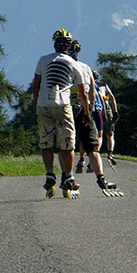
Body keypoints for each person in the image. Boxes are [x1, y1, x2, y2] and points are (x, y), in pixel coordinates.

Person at [33, 29, 89, 197]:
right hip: (63, 105)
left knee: (46, 142)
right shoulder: (74, 64)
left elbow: (36, 86)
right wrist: (86, 112)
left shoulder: (43, 60)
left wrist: (36, 107)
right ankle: (69, 176)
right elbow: (83, 93)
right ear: (70, 46)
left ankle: (50, 174)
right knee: (68, 144)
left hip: (44, 104)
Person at [68, 39, 118, 193]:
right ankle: (101, 178)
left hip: (67, 109)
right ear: (78, 52)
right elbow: (91, 93)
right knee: (93, 145)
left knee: (67, 145)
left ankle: (68, 178)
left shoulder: (62, 66)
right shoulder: (85, 67)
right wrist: (89, 108)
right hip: (84, 110)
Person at [98, 74, 120, 167]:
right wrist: (115, 112)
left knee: (99, 135)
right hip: (107, 109)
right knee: (110, 134)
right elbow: (112, 98)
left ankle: (96, 154)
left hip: (97, 110)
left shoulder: (91, 86)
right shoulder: (103, 85)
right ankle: (110, 154)